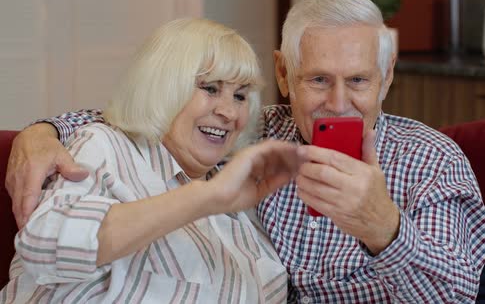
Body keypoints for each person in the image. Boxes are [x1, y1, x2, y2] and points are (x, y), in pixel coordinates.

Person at [6, 0, 485, 302]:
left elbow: (455, 296)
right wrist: (43, 131)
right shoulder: (256, 139)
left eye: (359, 80)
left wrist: (384, 228)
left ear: (386, 77)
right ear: (284, 73)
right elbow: (147, 121)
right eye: (318, 80)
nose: (339, 104)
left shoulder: (429, 159)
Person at [1, 18, 300, 303]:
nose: (229, 113)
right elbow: (42, 246)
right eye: (210, 88)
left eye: (240, 96)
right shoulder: (106, 147)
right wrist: (202, 198)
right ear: (163, 85)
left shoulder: (243, 210)